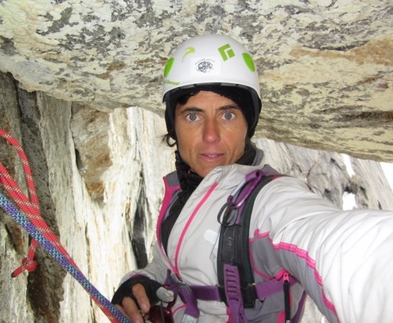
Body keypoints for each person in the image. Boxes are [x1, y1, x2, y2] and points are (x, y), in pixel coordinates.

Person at [111, 34, 393, 323]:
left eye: (228, 115)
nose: (211, 135)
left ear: (249, 123)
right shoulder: (184, 194)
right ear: (174, 125)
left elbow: (337, 248)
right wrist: (140, 281)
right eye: (193, 116)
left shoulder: (269, 201)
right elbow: (166, 264)